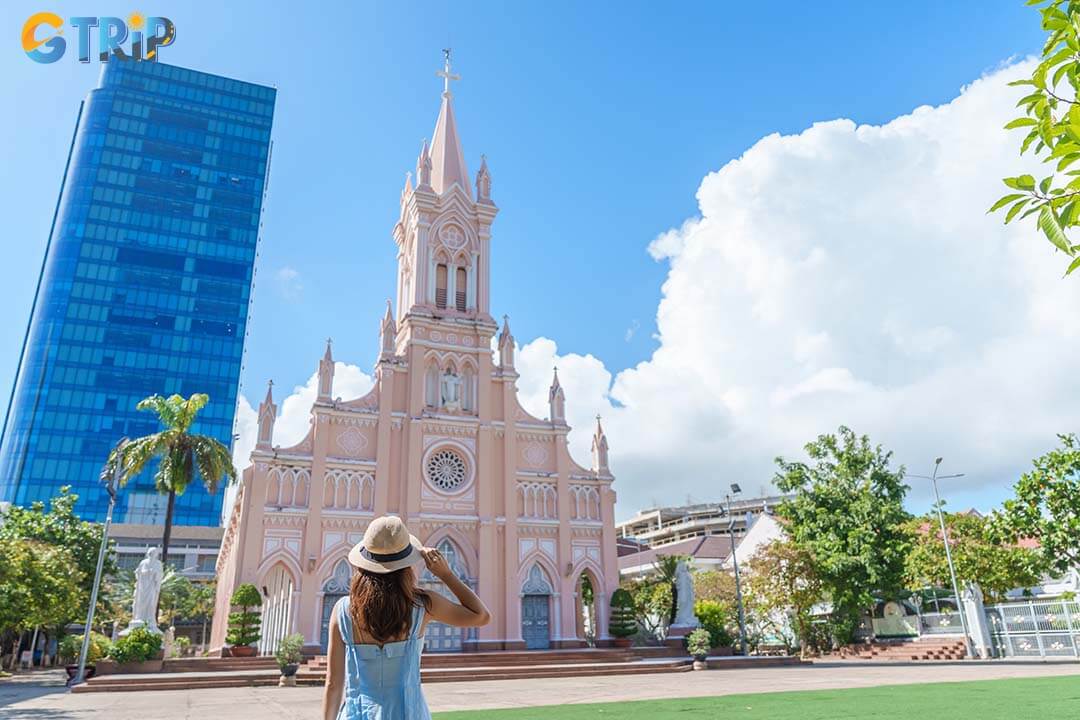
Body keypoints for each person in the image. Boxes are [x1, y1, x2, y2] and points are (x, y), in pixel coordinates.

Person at [322, 516, 490, 720]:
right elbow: (480, 616)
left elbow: (333, 683)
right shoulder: (423, 605)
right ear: (406, 563)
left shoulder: (343, 610)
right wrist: (446, 574)